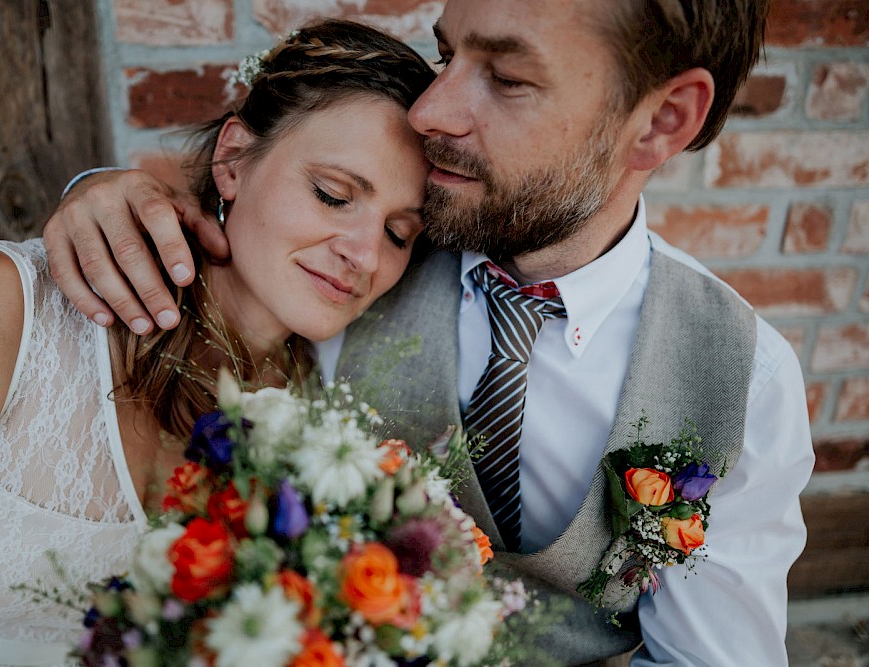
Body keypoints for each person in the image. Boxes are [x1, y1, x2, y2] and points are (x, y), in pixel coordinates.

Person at [43, 1, 816, 665]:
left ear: (661, 120)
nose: (429, 112)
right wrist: (108, 195)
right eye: (448, 55)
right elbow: (250, 211)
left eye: (506, 78)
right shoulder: (370, 253)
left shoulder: (740, 380)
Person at [0, 19, 436, 664]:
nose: (366, 255)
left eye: (399, 233)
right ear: (232, 159)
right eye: (333, 195)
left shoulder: (338, 413)